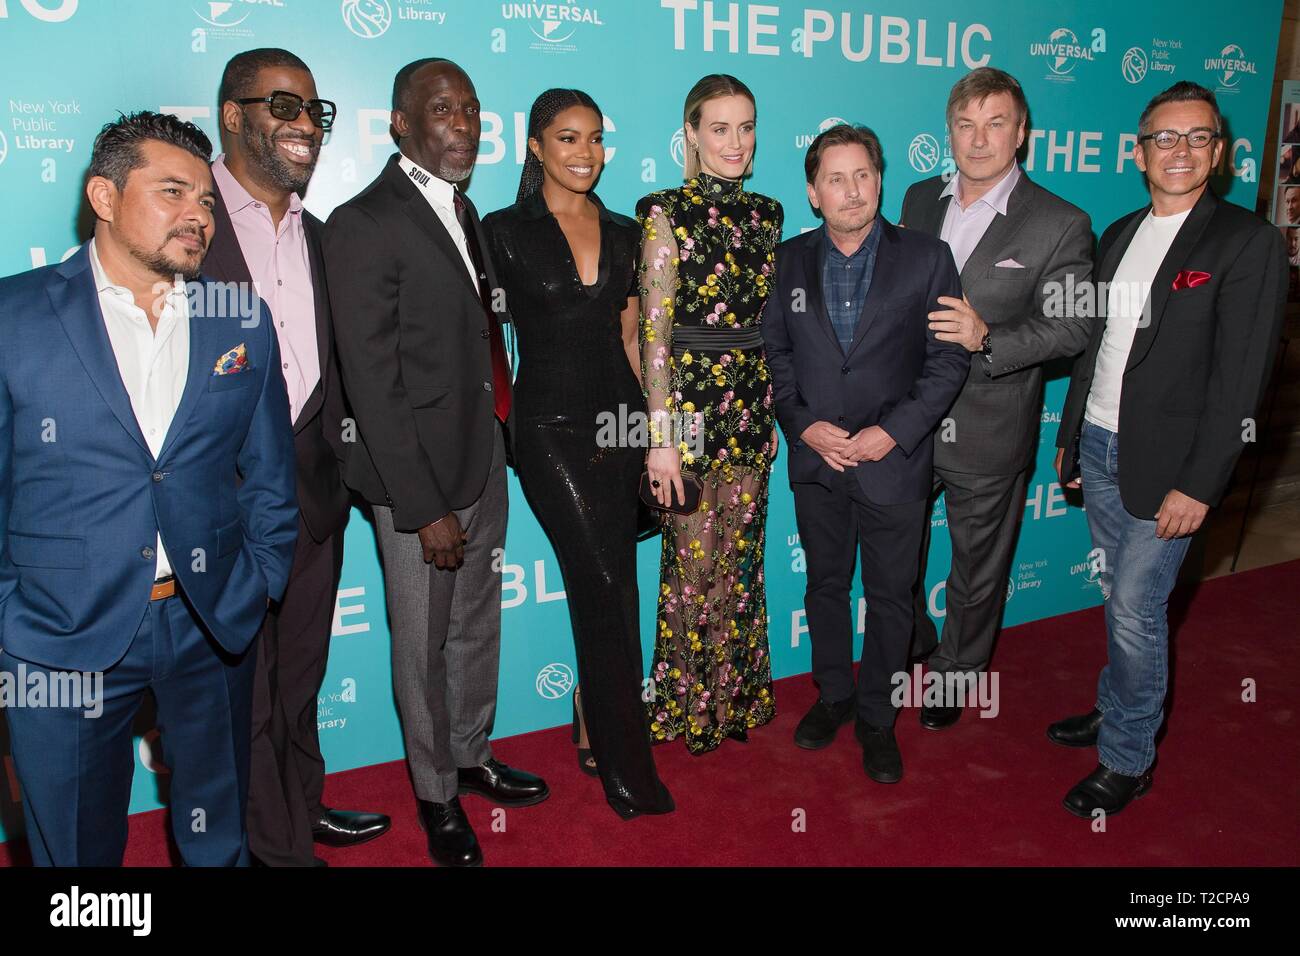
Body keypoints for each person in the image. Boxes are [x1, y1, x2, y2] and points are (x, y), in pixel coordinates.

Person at [0, 112, 298, 865]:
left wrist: (258, 581)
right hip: (57, 637)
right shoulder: (14, 315)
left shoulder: (239, 320)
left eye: (204, 199)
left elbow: (269, 471)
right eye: (172, 192)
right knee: (72, 852)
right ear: (104, 195)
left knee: (218, 834)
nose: (197, 215)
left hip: (209, 622)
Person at [323, 58, 547, 868]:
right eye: (444, 109)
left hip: (484, 454)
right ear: (398, 123)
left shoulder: (466, 211)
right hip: (413, 478)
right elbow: (371, 381)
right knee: (421, 640)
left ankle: (469, 753)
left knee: (476, 620)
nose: (465, 123)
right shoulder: (363, 221)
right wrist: (422, 505)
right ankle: (435, 794)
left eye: (474, 109)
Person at [1050, 81, 1287, 817]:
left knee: (1134, 605)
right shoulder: (1120, 232)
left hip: (1174, 467)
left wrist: (1201, 483)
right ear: (1139, 151)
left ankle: (1128, 756)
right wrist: (1069, 441)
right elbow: (1095, 351)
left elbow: (1241, 380)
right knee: (1118, 595)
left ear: (1218, 154)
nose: (1179, 150)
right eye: (1164, 138)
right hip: (1099, 439)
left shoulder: (1248, 242)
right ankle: (1116, 705)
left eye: (1197, 138)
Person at [204, 48, 390, 866]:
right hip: (218, 510)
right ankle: (270, 848)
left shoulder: (319, 237)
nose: (304, 125)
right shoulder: (185, 218)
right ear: (232, 116)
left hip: (315, 499)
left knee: (298, 683)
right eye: (282, 106)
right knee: (236, 698)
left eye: (315, 110)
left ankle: (300, 806)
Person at [483, 89, 674, 820]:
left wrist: (659, 438)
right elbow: (489, 343)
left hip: (621, 425)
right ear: (536, 146)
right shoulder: (503, 231)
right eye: (567, 138)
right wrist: (503, 426)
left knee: (618, 581)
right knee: (601, 579)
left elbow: (635, 342)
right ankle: (629, 766)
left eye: (595, 138)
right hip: (549, 429)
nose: (584, 153)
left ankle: (598, 711)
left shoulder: (628, 233)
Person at [762, 124, 969, 783]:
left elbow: (947, 362)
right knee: (824, 585)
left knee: (890, 596)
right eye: (835, 178)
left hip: (894, 461)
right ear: (813, 192)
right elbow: (777, 356)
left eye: (863, 175)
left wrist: (894, 433)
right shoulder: (788, 261)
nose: (852, 190)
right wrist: (802, 425)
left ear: (879, 180)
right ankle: (834, 696)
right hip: (818, 461)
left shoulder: (927, 257)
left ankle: (878, 718)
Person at [901, 67, 1094, 729]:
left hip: (988, 424)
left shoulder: (1060, 222)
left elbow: (1074, 324)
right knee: (895, 546)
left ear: (1022, 134)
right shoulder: (919, 199)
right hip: (907, 420)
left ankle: (956, 677)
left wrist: (989, 337)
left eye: (996, 123)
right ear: (949, 131)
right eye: (965, 124)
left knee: (976, 570)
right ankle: (914, 638)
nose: (979, 139)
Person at [638, 74, 783, 753]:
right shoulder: (664, 211)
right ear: (691, 136)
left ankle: (733, 701)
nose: (736, 142)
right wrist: (660, 440)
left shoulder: (770, 215)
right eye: (720, 128)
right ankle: (685, 709)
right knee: (692, 568)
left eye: (746, 127)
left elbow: (773, 327)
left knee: (741, 563)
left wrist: (774, 409)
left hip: (751, 410)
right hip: (687, 415)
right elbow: (654, 334)